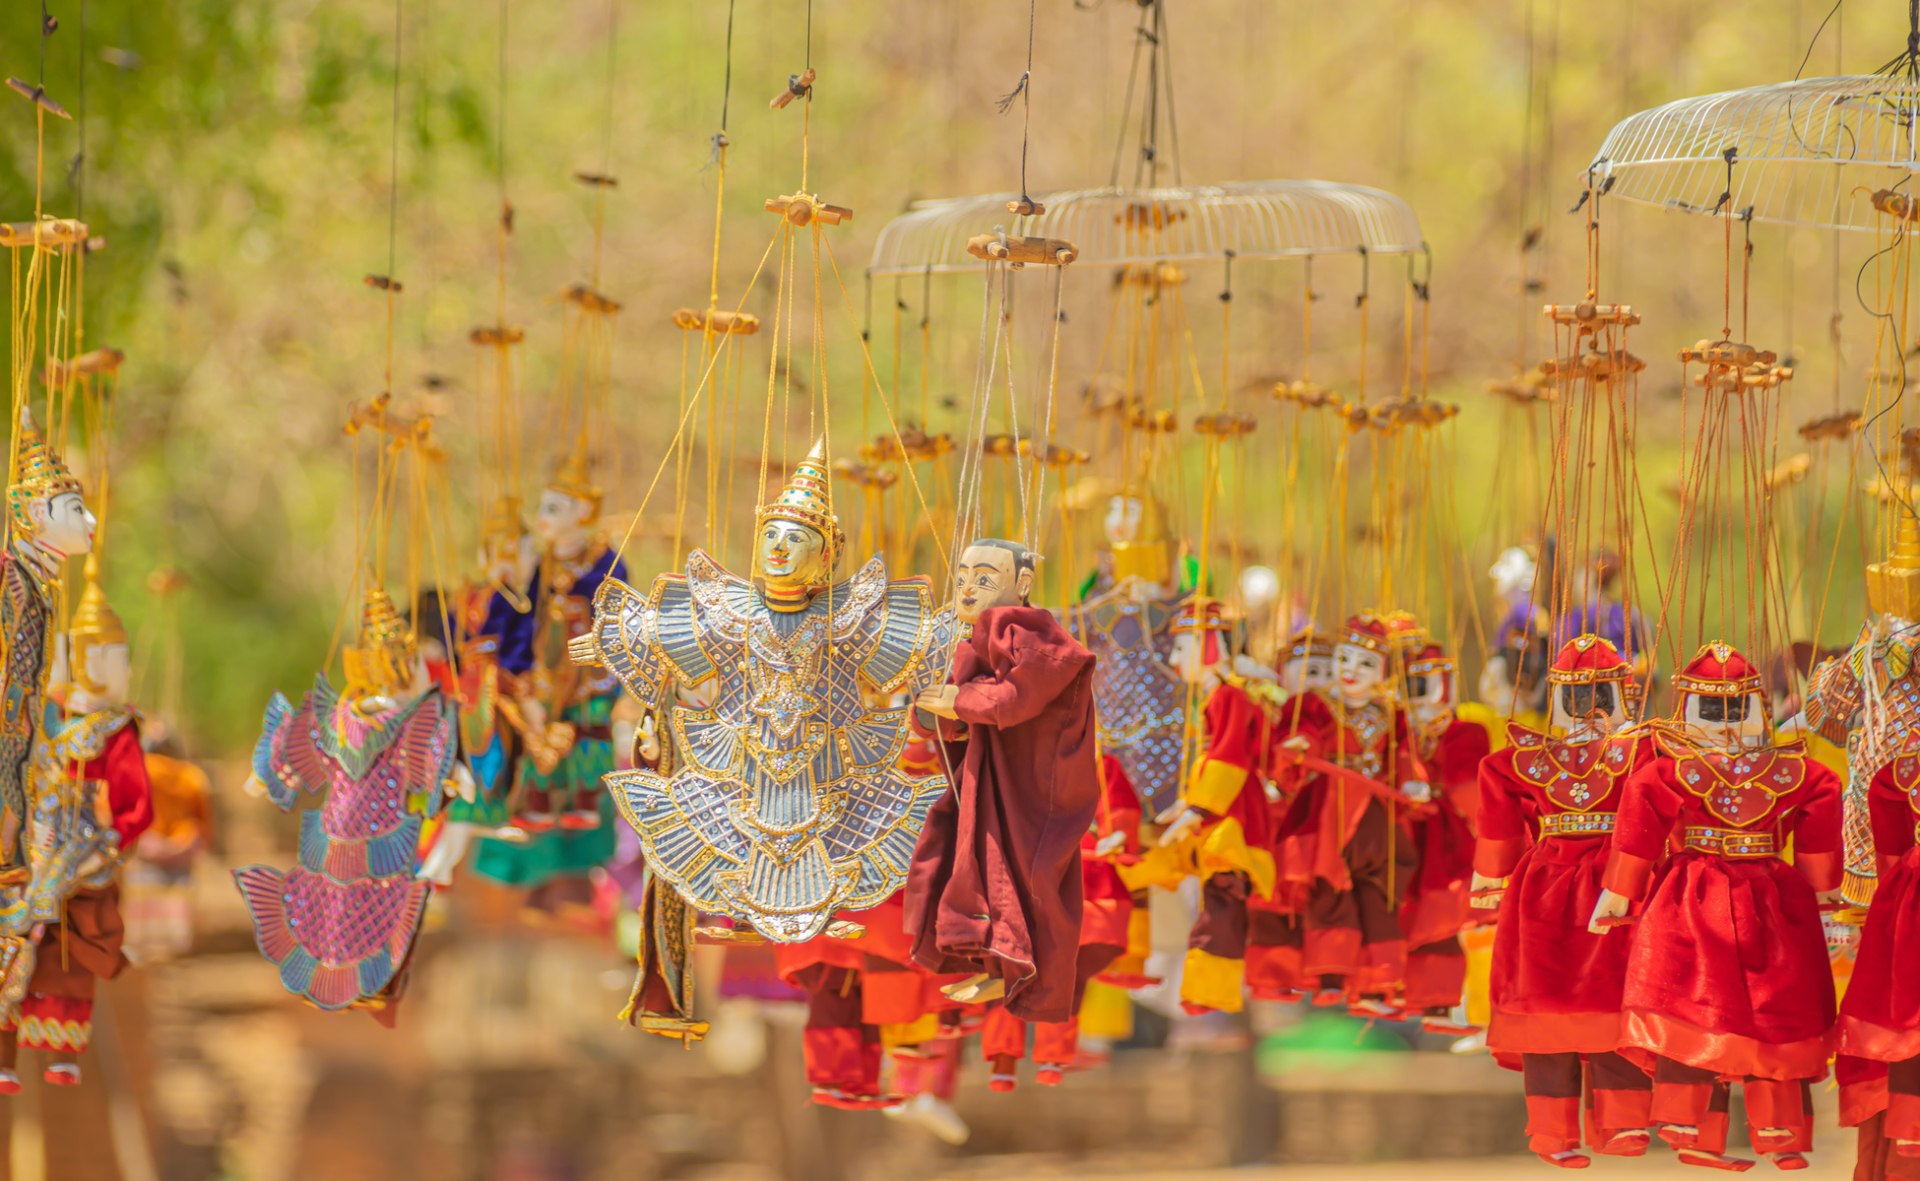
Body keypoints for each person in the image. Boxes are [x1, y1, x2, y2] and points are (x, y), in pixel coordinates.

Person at [1591, 643, 1841, 1171]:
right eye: (1710, 709)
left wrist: (1824, 887)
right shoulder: (1670, 770)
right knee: (1690, 1006)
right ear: (1686, 711)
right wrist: (1619, 890)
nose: (1725, 721)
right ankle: (1688, 1121)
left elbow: (1822, 798)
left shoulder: (1793, 770)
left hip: (1771, 901)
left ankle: (1778, 1126)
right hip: (1694, 899)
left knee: (1778, 1009)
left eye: (1736, 708)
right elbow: (1640, 816)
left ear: (1758, 709)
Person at [1473, 635, 1652, 1167]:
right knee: (1546, 1007)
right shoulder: (1528, 758)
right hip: (1554, 891)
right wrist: (1492, 876)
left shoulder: (1645, 751)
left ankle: (1621, 1121)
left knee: (1614, 1002)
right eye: (1575, 698)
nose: (1586, 708)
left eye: (1598, 697)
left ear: (1621, 696)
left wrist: (1494, 875)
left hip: (1610, 884)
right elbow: (1495, 786)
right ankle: (1553, 1132)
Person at [906, 538, 1100, 1023]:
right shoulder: (974, 641)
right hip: (989, 778)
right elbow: (958, 716)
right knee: (971, 857)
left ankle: (1024, 971)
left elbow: (1015, 697)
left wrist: (957, 701)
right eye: (962, 579)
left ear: (1024, 583)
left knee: (1028, 875)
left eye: (984, 579)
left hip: (1036, 787)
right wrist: (937, 711)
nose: (968, 590)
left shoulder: (1039, 636)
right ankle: (996, 960)